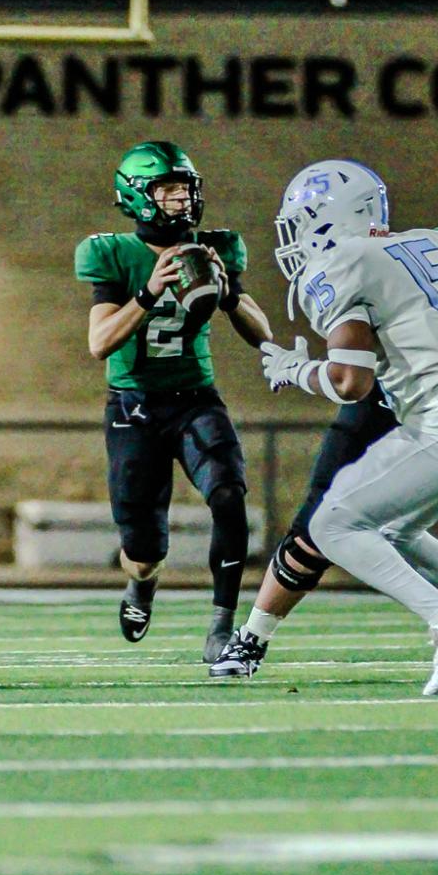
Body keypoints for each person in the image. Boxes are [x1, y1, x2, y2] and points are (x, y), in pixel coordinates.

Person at [211, 137, 438, 681]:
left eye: (301, 221)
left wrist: (294, 370)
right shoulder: (429, 243)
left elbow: (350, 380)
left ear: (328, 220)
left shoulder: (338, 266)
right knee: (392, 529)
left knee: (333, 525)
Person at [74, 141, 273, 662]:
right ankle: (142, 584)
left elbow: (262, 333)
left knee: (229, 496)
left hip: (195, 399)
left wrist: (228, 293)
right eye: (166, 191)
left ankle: (223, 627)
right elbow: (100, 344)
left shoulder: (217, 247)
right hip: (134, 405)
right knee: (143, 549)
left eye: (185, 190)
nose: (180, 202)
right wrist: (148, 291)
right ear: (138, 197)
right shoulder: (113, 253)